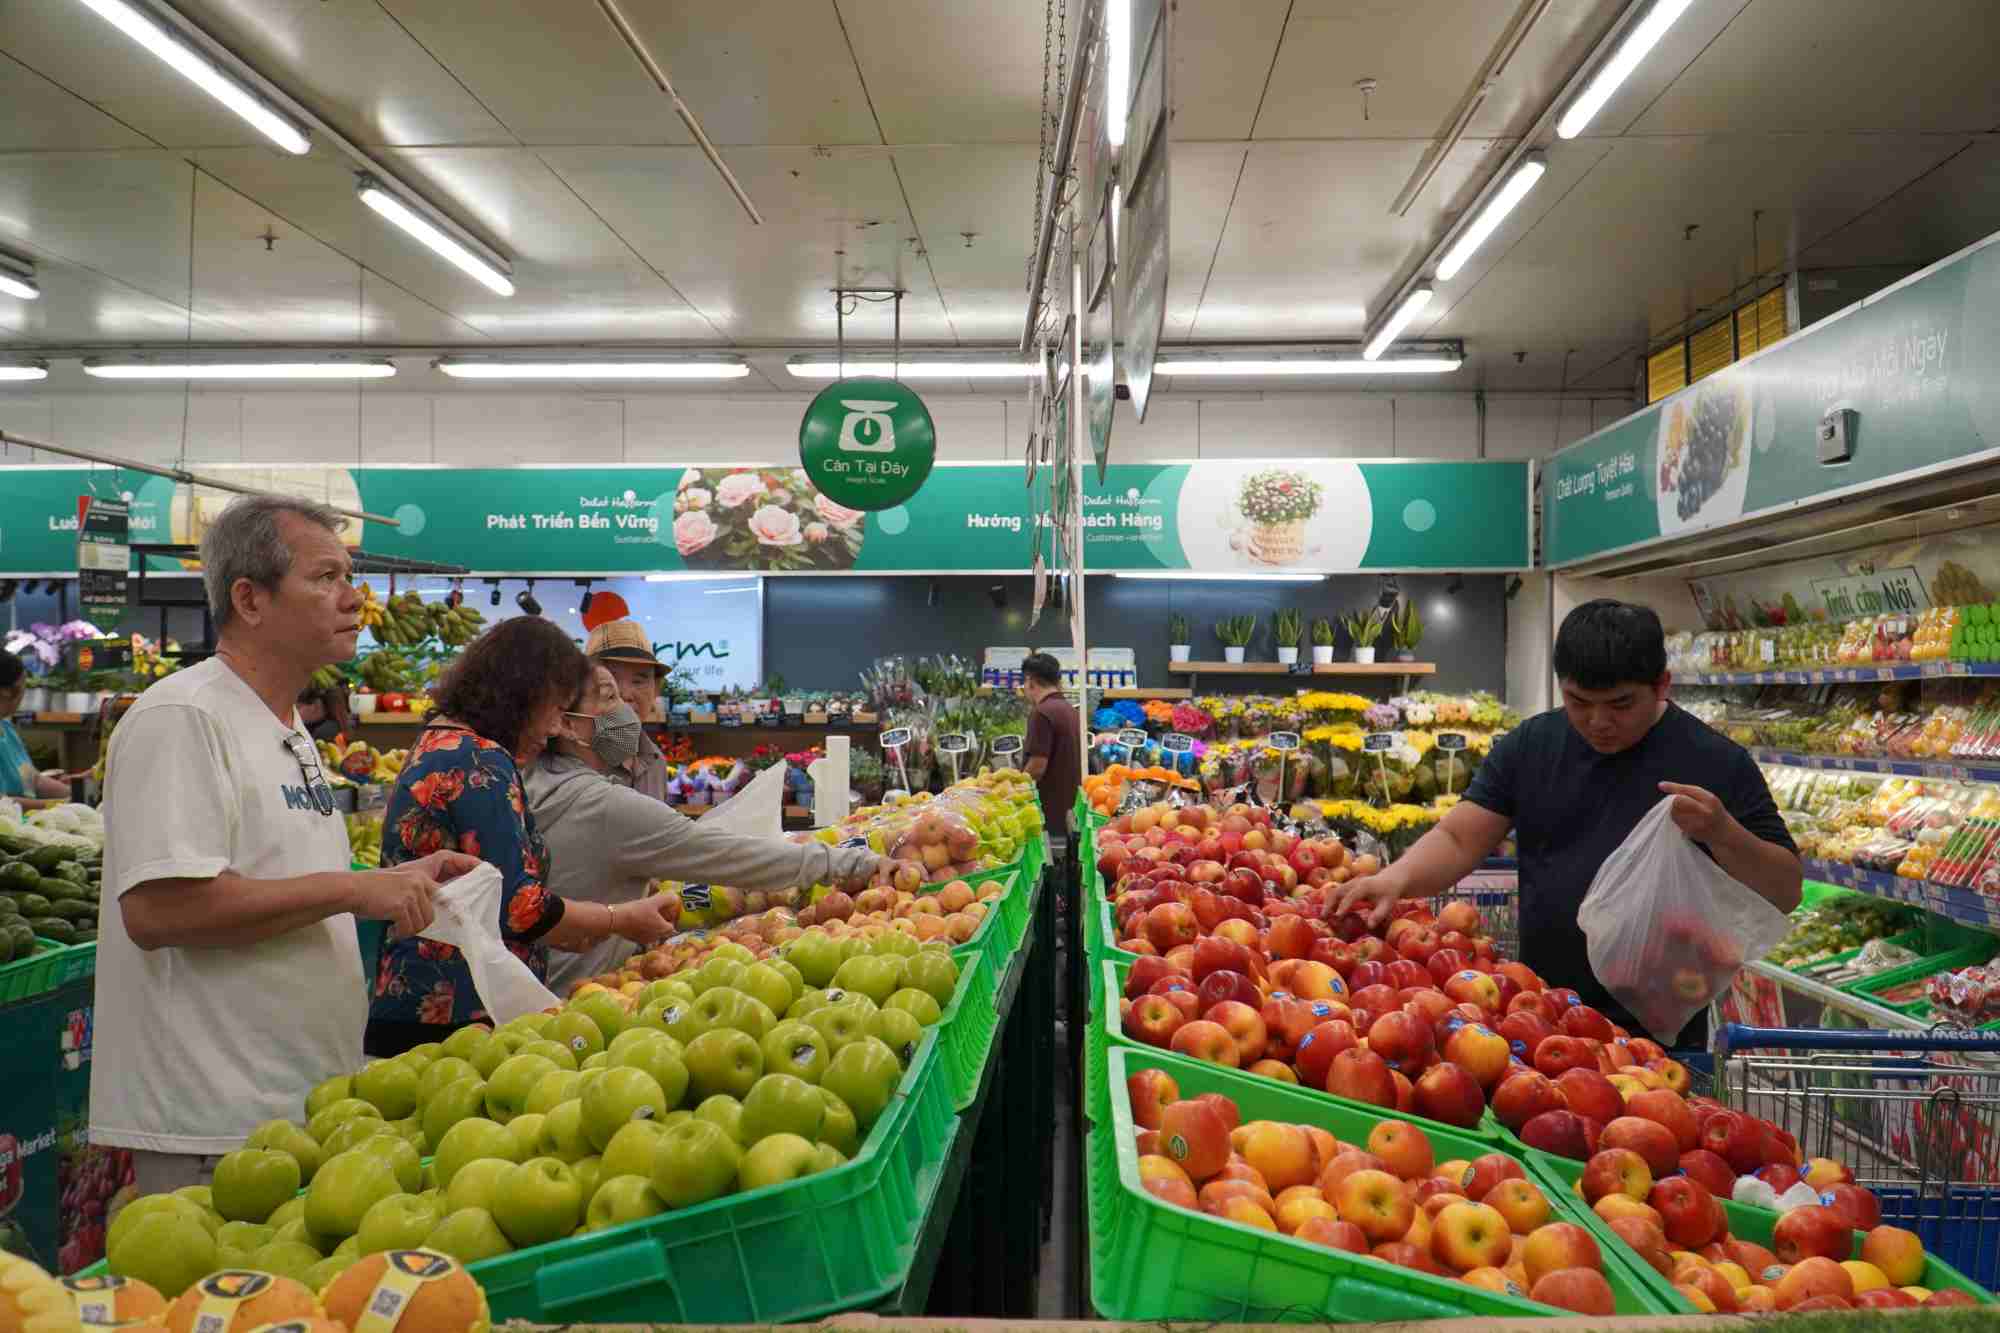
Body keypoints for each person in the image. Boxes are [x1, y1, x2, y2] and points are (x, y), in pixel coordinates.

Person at [93, 495, 478, 1194]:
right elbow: (159, 911)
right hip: (215, 1127)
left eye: (349, 575)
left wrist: (391, 877)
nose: (353, 597)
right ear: (250, 598)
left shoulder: (286, 727)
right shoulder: (184, 718)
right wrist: (354, 890)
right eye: (326, 576)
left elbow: (278, 878)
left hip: (296, 1111)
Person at [1336, 599, 1802, 1050]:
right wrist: (1394, 877)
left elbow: (1785, 890)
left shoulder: (1716, 762)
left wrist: (1723, 833)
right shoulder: (1532, 745)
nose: (1598, 722)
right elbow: (1459, 838)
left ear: (1663, 685)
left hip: (1658, 1034)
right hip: (1541, 1016)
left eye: (1621, 704)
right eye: (1579, 701)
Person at [365, 617, 679, 1055]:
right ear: (523, 693)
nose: (555, 728)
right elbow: (520, 909)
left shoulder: (440, 740)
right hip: (456, 1013)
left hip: (415, 995)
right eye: (555, 708)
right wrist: (620, 918)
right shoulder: (481, 761)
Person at [527, 666, 882, 994]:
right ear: (566, 724)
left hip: (541, 989)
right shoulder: (604, 806)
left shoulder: (529, 783)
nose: (625, 706)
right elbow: (731, 857)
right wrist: (855, 863)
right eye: (609, 696)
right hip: (585, 996)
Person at [584, 619, 671, 801]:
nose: (624, 694)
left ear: (655, 690)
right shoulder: (568, 762)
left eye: (638, 681)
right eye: (611, 679)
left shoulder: (655, 762)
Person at [1021, 652, 1082, 857]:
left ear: (1030, 681)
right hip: (1069, 810)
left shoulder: (1042, 713)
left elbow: (1038, 765)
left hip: (1049, 815)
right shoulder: (1070, 711)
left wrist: (1014, 790)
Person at [0, 651, 69, 803]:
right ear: (6, 691)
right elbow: (2, 803)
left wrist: (73, 794)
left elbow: (32, 780)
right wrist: (48, 806)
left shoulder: (6, 729)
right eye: (24, 682)